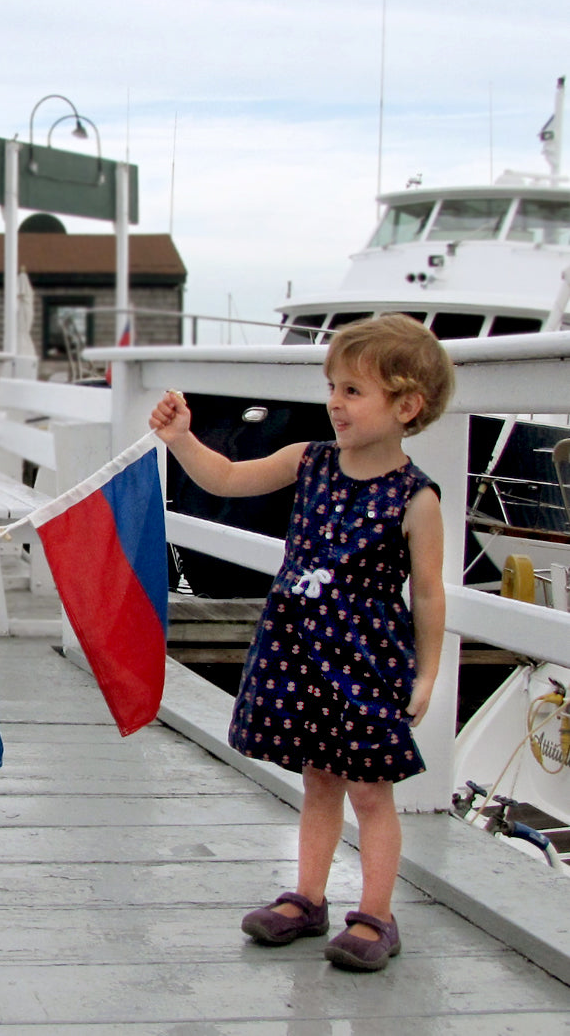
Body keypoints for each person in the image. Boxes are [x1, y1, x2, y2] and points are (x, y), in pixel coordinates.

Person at [149, 314, 452, 973]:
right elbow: (226, 477)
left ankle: (375, 912)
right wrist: (180, 438)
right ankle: (307, 897)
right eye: (332, 387)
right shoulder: (308, 461)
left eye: (352, 390)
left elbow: (427, 594)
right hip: (299, 650)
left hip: (365, 662)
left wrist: (427, 673)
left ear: (405, 405)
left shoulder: (414, 498)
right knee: (318, 781)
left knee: (370, 791)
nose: (334, 403)